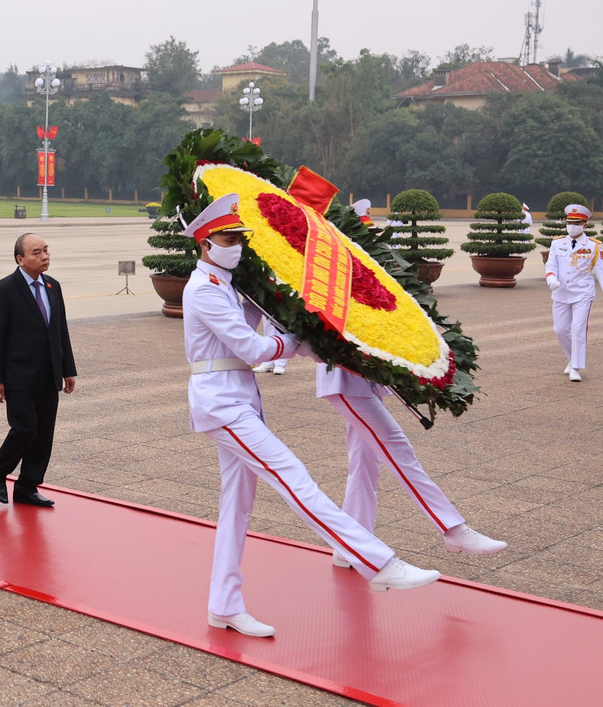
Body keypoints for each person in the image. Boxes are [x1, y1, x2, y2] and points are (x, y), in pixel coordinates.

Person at [182, 193, 440, 639]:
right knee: (293, 477)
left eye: (239, 238)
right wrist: (296, 341)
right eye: (228, 238)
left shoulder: (226, 285)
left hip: (238, 397)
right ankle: (377, 561)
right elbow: (252, 349)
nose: (236, 245)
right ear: (205, 242)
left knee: (237, 507)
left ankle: (223, 605)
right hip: (221, 401)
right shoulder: (203, 290)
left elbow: (259, 329)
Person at [317, 363, 507, 564]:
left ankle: (351, 545)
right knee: (397, 449)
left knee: (365, 463)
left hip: (359, 378)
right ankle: (452, 528)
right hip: (346, 376)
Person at [0, 233, 76, 509]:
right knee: (25, 428)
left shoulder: (52, 285)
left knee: (44, 432)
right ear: (20, 259)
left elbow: (60, 331)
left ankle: (27, 486)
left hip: (48, 374)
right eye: (36, 252)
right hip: (18, 376)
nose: (44, 256)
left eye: (46, 250)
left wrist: (68, 368)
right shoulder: (6, 289)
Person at [545, 204, 603, 382]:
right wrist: (551, 279)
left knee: (577, 329)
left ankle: (576, 366)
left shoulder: (594, 247)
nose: (572, 226)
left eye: (576, 223)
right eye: (569, 222)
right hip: (561, 292)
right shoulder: (556, 243)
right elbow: (550, 265)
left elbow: (602, 273)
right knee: (560, 329)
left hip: (583, 293)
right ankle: (572, 358)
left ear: (585, 225)